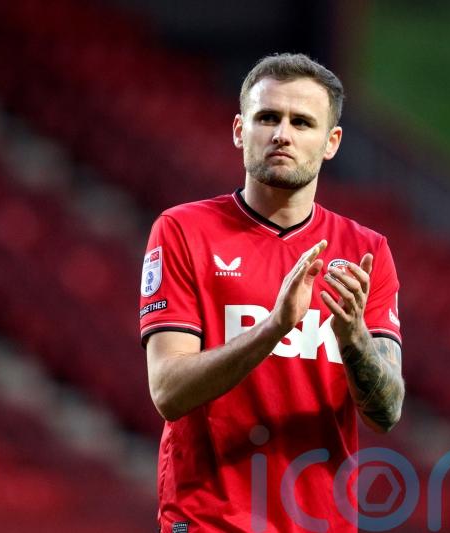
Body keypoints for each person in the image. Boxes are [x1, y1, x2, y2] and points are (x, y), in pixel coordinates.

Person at [139, 53, 404, 533]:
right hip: (209, 521)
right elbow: (168, 391)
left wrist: (353, 338)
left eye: (302, 122)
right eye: (268, 117)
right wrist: (275, 326)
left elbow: (386, 412)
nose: (282, 133)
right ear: (240, 130)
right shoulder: (183, 231)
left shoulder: (367, 252)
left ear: (331, 142)